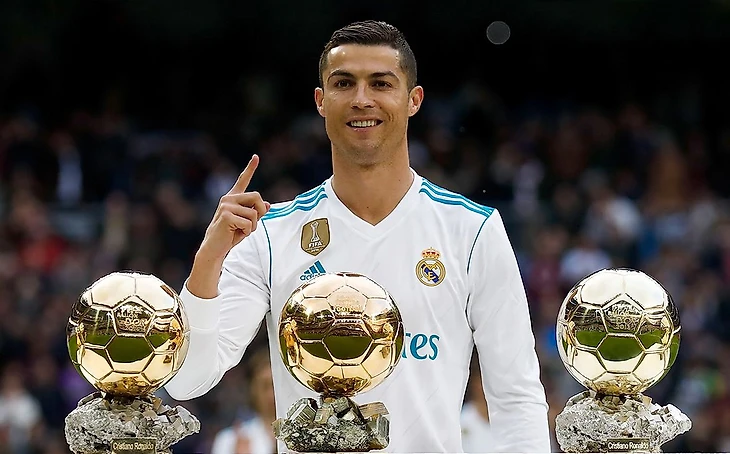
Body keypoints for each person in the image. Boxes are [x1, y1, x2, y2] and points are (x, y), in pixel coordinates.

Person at [165, 20, 551, 452]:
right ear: (321, 101)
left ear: (413, 100)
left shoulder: (472, 230)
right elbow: (186, 380)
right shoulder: (270, 234)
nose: (362, 99)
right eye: (344, 83)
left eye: (381, 83)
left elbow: (516, 397)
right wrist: (207, 261)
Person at [210, 348, 277, 454]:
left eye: (276, 386)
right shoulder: (228, 440)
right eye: (265, 386)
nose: (271, 394)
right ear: (253, 389)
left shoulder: (303, 436)